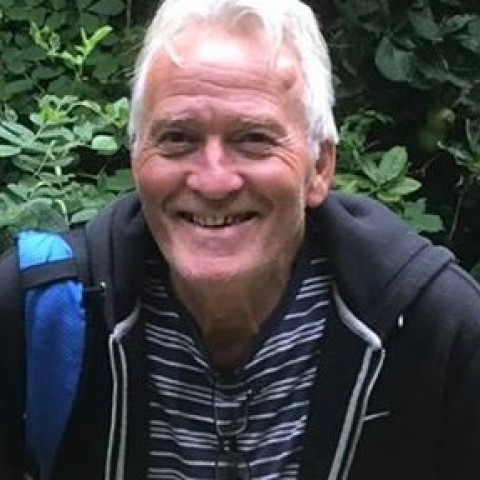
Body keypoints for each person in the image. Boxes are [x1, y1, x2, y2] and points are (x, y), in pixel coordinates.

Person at [1, 0, 480, 478]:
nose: (213, 181)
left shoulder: (437, 334)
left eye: (253, 139)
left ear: (319, 167)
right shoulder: (40, 313)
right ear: (136, 158)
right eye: (177, 138)